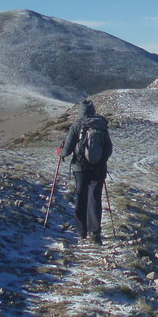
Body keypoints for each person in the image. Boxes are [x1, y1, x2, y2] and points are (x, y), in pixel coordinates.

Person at [58, 100, 112, 244]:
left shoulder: (77, 126)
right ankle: (95, 233)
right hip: (98, 169)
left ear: (80, 112)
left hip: (80, 168)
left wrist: (60, 152)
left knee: (81, 197)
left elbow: (67, 150)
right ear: (93, 110)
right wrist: (101, 161)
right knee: (95, 198)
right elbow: (108, 148)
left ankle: (81, 232)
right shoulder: (101, 125)